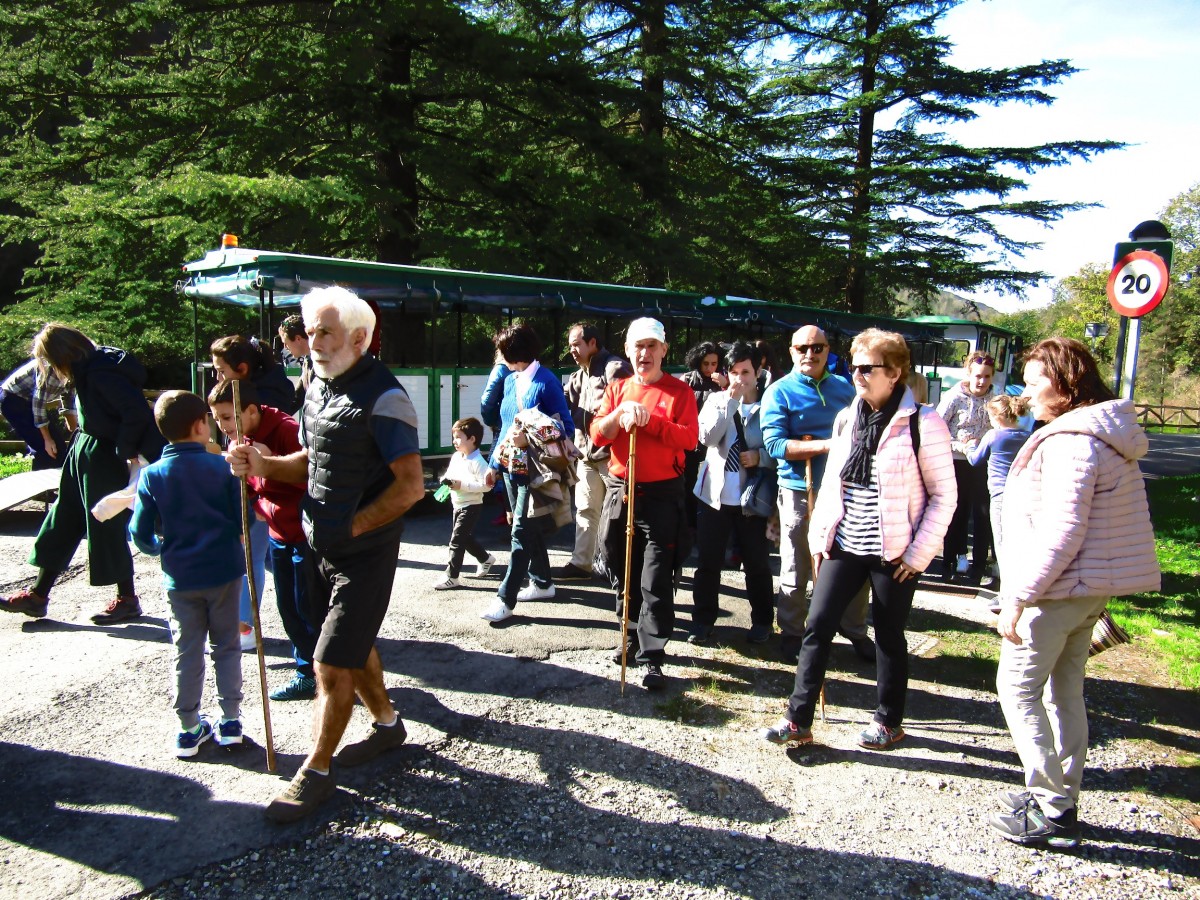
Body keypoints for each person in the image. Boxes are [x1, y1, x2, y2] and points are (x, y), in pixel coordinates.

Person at [229, 285, 425, 823]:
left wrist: (353, 526)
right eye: (309, 331)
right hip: (319, 543)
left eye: (325, 332)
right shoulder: (316, 384)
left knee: (328, 663)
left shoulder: (386, 398)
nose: (312, 342)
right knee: (348, 646)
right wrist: (265, 466)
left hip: (363, 553)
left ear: (359, 338)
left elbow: (410, 487)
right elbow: (317, 460)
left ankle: (315, 771)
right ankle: (387, 725)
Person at [988, 338, 1159, 849]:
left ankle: (1051, 809)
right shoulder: (1100, 435)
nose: (1026, 390)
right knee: (1063, 691)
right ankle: (1060, 799)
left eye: (1036, 380)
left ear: (1065, 386)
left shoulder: (1071, 442)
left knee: (1017, 690)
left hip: (1057, 592)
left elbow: (1063, 531)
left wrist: (1019, 595)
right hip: (1083, 592)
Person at [760, 329, 956, 750]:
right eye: (853, 367)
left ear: (896, 372)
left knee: (888, 635)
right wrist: (819, 539)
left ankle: (889, 721)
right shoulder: (848, 416)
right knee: (817, 626)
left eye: (868, 368)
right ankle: (798, 719)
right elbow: (833, 483)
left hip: (896, 551)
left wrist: (919, 554)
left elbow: (944, 495)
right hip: (845, 543)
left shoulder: (925, 421)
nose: (857, 375)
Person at [0, 325, 165, 623]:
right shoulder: (88, 368)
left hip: (104, 453)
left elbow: (135, 413)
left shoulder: (102, 372)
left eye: (50, 360)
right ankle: (38, 595)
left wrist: (124, 450)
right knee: (63, 516)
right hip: (84, 448)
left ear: (63, 353)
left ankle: (127, 599)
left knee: (105, 522)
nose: (51, 367)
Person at [129, 391, 246, 757]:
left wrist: (157, 549)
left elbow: (139, 530)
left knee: (187, 649)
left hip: (180, 577)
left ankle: (188, 726)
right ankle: (230, 721)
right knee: (226, 646)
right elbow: (244, 516)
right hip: (225, 570)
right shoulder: (222, 467)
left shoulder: (152, 475)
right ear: (201, 425)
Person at [592, 317, 699, 689]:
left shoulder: (679, 392)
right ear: (628, 351)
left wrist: (650, 420)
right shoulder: (617, 388)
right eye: (638, 346)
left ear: (664, 351)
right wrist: (619, 417)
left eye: (652, 346)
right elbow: (597, 435)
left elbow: (688, 440)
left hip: (663, 495)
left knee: (654, 577)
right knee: (623, 570)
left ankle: (653, 655)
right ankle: (629, 636)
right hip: (622, 489)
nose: (645, 353)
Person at [761, 325, 873, 665]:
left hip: (847, 489)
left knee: (852, 560)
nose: (811, 354)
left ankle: (853, 628)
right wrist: (827, 445)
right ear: (792, 351)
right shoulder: (779, 391)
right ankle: (793, 630)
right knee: (797, 562)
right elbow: (775, 443)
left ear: (828, 350)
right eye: (803, 348)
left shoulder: (846, 388)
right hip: (800, 488)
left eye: (818, 348)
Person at [209, 379, 319, 702]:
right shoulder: (240, 438)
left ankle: (315, 673)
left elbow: (309, 479)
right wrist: (257, 502)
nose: (223, 426)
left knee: (307, 607)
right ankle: (307, 671)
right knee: (287, 607)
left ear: (252, 410)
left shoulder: (287, 429)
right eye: (217, 419)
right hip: (277, 532)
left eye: (228, 418)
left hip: (302, 533)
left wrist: (269, 465)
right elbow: (250, 486)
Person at [479, 323, 572, 623]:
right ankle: (543, 582)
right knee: (524, 529)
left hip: (534, 470)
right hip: (509, 467)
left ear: (514, 352)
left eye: (504, 350)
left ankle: (506, 598)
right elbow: (505, 428)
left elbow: (565, 429)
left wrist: (529, 438)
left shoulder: (547, 382)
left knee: (520, 532)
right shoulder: (511, 380)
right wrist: (493, 465)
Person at [690, 342, 775, 645]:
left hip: (753, 499)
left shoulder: (771, 404)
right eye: (735, 372)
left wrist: (760, 458)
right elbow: (707, 437)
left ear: (758, 372)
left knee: (757, 564)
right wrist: (730, 402)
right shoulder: (715, 400)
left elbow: (780, 449)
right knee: (708, 563)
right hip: (714, 495)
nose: (741, 378)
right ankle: (702, 621)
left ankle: (763, 621)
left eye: (746, 372)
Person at [557, 323, 632, 582]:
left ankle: (616, 565)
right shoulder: (577, 376)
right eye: (570, 346)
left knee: (616, 516)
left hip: (613, 457)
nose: (572, 351)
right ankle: (582, 563)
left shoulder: (616, 368)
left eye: (577, 344)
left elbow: (624, 411)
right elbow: (567, 410)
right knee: (586, 509)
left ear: (593, 343)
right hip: (586, 456)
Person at [937, 353, 996, 580]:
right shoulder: (954, 397)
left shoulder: (995, 398)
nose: (981, 382)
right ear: (969, 375)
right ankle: (949, 561)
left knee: (983, 513)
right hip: (957, 461)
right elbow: (938, 429)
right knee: (957, 512)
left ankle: (979, 565)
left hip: (982, 462)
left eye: (987, 377)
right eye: (978, 376)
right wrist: (960, 446)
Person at [967, 395, 1031, 598]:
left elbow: (975, 460)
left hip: (1000, 495)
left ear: (997, 417)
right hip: (1022, 494)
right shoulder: (1027, 436)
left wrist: (968, 445)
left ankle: (1007, 594)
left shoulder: (993, 436)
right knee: (1019, 542)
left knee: (1001, 543)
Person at [434, 417, 497, 590]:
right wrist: (445, 480)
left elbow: (487, 486)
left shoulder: (479, 462)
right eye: (454, 437)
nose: (454, 441)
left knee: (456, 540)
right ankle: (486, 559)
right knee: (465, 538)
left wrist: (462, 485)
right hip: (457, 503)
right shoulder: (457, 457)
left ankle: (452, 576)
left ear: (472, 439)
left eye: (458, 437)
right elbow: (451, 474)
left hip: (471, 505)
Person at [679, 341, 727, 528]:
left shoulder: (723, 381)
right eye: (705, 363)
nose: (709, 368)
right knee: (689, 484)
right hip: (690, 441)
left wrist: (725, 386)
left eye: (713, 364)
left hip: (713, 443)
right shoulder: (688, 380)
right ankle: (689, 525)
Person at [1, 359, 73, 470]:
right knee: (47, 450)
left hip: (28, 401)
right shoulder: (53, 369)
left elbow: (68, 395)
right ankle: (43, 484)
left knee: (58, 449)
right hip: (13, 399)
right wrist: (47, 440)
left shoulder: (74, 370)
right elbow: (38, 404)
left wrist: (73, 428)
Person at [211, 334, 299, 416]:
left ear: (242, 369)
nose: (218, 378)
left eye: (221, 372)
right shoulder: (273, 385)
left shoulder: (261, 401)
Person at [277, 314, 313, 411]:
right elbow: (297, 398)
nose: (285, 348)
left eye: (286, 343)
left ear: (298, 339)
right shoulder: (307, 361)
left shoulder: (322, 360)